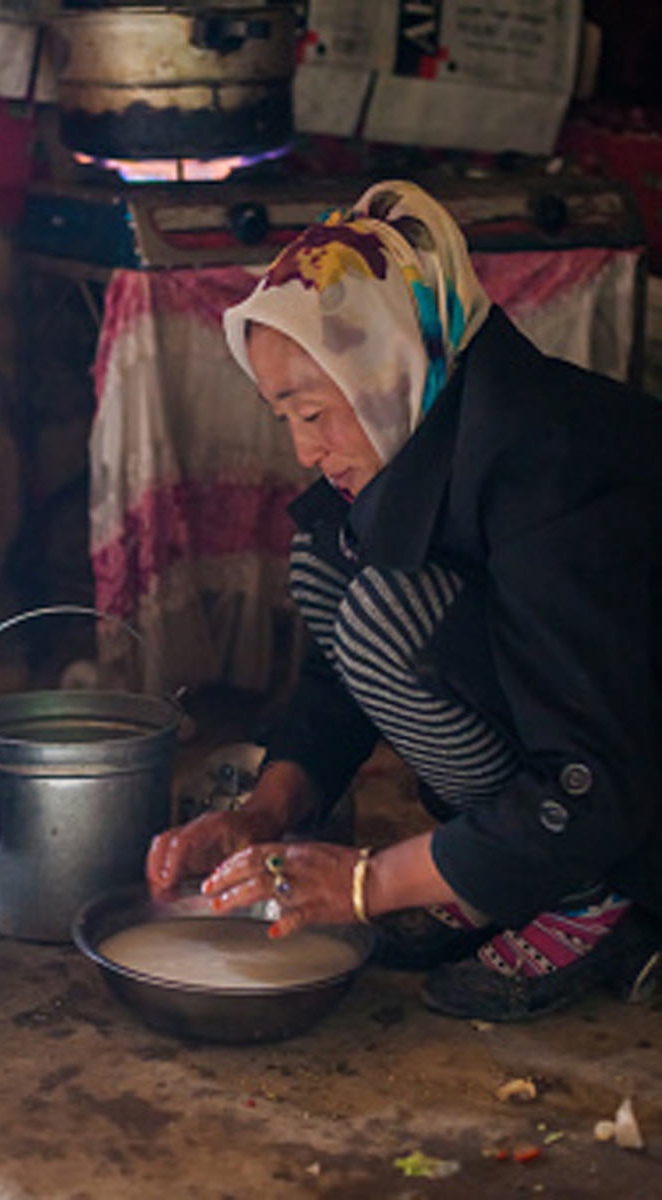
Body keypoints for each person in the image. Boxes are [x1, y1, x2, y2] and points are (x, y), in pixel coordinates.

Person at [147, 179, 662, 1022]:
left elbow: (596, 773)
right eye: (286, 419)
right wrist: (265, 815)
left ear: (388, 366)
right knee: (329, 562)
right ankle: (499, 867)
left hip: (625, 800)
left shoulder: (547, 468)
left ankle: (586, 890)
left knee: (388, 617)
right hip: (588, 765)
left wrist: (369, 880)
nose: (307, 450)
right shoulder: (438, 431)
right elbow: (338, 682)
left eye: (313, 412)